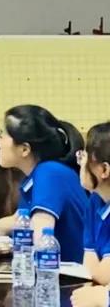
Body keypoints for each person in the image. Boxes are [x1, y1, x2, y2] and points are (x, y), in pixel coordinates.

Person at [0, 105, 88, 263]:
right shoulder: (38, 174)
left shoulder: (49, 173)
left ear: (24, 149)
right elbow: (19, 219)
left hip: (67, 273)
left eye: (3, 134)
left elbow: (42, 231)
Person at [79, 122, 110, 284]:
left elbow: (105, 275)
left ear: (104, 170)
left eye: (84, 158)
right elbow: (89, 263)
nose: (80, 165)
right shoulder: (95, 200)